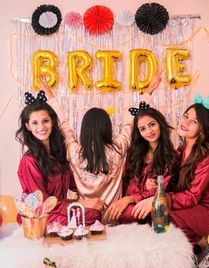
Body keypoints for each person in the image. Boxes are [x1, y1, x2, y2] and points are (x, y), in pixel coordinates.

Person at [41, 70, 161, 225]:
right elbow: (130, 121)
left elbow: (63, 126)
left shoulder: (74, 152)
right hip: (115, 218)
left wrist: (51, 97)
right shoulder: (118, 148)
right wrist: (148, 92)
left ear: (84, 130)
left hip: (86, 220)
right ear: (107, 128)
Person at [133, 94, 209, 246]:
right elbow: (174, 183)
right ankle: (191, 248)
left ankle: (202, 245)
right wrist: (154, 185)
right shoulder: (181, 151)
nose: (185, 122)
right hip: (196, 207)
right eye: (186, 116)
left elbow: (192, 195)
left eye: (194, 121)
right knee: (158, 215)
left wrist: (157, 200)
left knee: (164, 214)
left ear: (202, 129)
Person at [104, 103, 177, 223]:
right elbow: (127, 181)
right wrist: (126, 199)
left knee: (134, 214)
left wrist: (132, 198)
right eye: (143, 129)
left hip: (151, 203)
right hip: (130, 201)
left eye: (152, 125)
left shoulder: (171, 156)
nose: (149, 131)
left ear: (160, 123)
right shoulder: (134, 152)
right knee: (122, 213)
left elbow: (165, 189)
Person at [16, 91, 77, 225]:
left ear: (52, 121)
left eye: (45, 121)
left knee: (94, 210)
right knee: (89, 214)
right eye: (35, 123)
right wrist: (80, 204)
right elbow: (42, 201)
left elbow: (74, 184)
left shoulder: (59, 152)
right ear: (28, 126)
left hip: (60, 208)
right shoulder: (29, 160)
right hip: (40, 215)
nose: (41, 127)